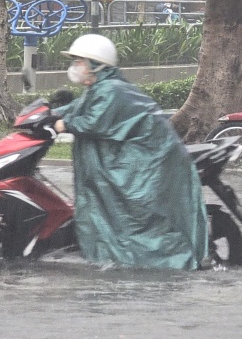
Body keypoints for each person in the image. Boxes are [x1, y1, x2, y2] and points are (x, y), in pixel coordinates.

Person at [52, 34, 208, 270]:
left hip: (146, 162)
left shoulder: (111, 90)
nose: (75, 67)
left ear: (97, 64)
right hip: (137, 157)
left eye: (79, 62)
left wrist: (65, 124)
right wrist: (45, 112)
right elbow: (76, 107)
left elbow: (94, 122)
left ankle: (165, 258)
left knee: (137, 216)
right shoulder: (99, 88)